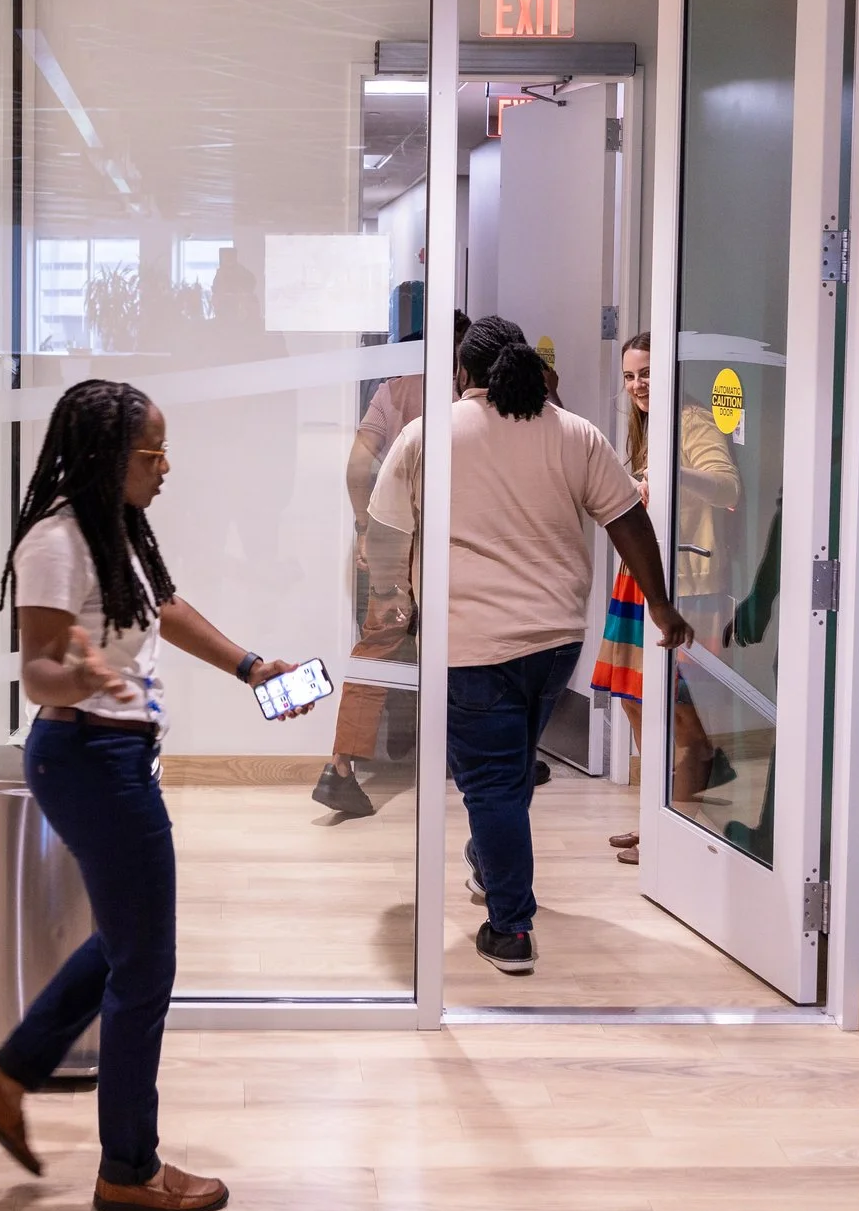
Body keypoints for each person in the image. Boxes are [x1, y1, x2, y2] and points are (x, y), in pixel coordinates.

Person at [0, 380, 316, 1211]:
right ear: (107, 457)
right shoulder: (54, 540)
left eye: (162, 450)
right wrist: (76, 670)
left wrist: (251, 666)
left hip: (113, 754)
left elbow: (167, 605)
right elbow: (36, 667)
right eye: (151, 453)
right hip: (86, 756)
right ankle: (128, 1165)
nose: (165, 466)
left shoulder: (118, 527)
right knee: (146, 961)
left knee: (124, 942)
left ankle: (7, 1074)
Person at [369, 317, 692, 974]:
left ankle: (511, 927)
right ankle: (492, 869)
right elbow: (628, 519)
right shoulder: (574, 433)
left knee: (491, 782)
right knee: (510, 772)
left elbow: (384, 528)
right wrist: (660, 603)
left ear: (464, 372)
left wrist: (392, 598)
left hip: (468, 641)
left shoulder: (428, 434)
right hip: (553, 642)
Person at [314, 309, 470, 820]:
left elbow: (359, 465)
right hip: (452, 542)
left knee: (377, 647)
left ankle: (341, 768)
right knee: (470, 641)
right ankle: (483, 756)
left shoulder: (391, 390)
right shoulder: (466, 395)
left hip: (391, 538)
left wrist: (365, 527)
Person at [594, 332, 740, 864]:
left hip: (688, 583)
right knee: (634, 699)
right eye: (631, 376)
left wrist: (669, 476)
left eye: (648, 373)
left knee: (681, 714)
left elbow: (727, 487)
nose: (637, 385)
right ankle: (657, 816)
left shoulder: (691, 419)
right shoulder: (645, 424)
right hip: (644, 577)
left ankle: (676, 823)